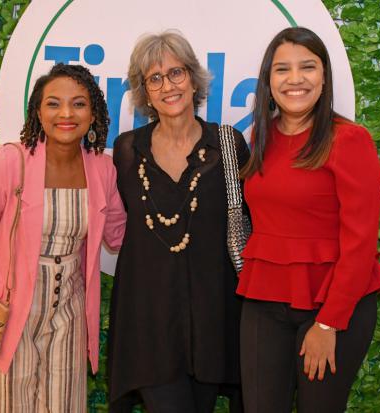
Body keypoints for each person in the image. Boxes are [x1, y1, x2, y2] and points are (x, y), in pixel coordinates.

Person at [236, 27, 380, 413]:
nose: (295, 79)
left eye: (307, 67)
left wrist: (329, 324)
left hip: (332, 305)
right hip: (263, 300)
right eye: (282, 69)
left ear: (324, 76)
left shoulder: (350, 140)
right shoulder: (261, 136)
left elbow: (359, 245)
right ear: (268, 80)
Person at [0, 64, 126, 412]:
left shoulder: (102, 169)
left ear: (93, 114)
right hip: (9, 315)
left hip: (69, 317)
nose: (66, 113)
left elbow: (120, 235)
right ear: (37, 111)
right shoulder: (9, 162)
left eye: (78, 104)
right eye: (53, 103)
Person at [107, 30, 249, 413]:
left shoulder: (229, 145)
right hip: (149, 323)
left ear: (193, 77)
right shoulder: (125, 151)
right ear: (144, 91)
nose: (167, 85)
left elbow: (253, 226)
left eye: (176, 72)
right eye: (155, 78)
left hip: (213, 321)